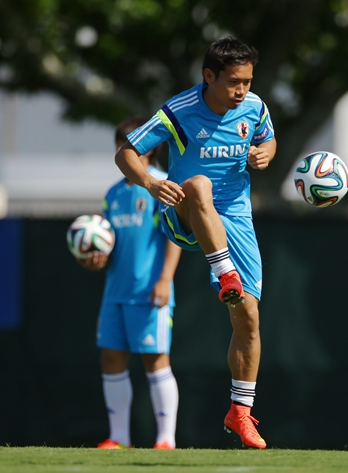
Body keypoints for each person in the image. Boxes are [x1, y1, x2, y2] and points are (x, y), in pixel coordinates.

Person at [115, 37, 276, 449]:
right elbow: (127, 154)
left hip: (235, 219)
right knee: (201, 185)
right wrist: (152, 182)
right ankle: (224, 273)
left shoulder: (254, 108)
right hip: (184, 212)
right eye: (234, 82)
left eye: (247, 81)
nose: (242, 90)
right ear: (209, 76)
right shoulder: (180, 110)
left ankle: (240, 411)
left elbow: (268, 138)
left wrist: (266, 153)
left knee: (250, 318)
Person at [79, 118, 182, 449]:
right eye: (121, 144)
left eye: (132, 144)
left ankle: (166, 440)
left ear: (150, 147)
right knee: (111, 358)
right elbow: (106, 242)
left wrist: (165, 279)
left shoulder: (164, 185)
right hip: (115, 293)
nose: (125, 150)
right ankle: (119, 437)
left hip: (149, 292)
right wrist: (94, 259)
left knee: (155, 360)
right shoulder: (113, 193)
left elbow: (176, 237)